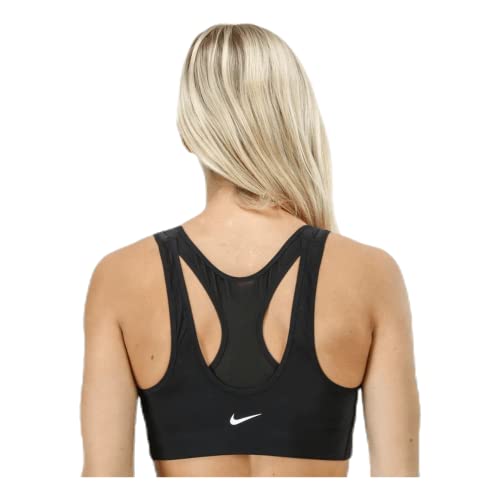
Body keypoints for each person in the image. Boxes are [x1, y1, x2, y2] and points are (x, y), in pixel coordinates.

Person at [80, 23, 420, 477]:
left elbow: (103, 482)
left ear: (188, 132)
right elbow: (400, 481)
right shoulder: (370, 275)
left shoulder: (121, 278)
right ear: (295, 121)